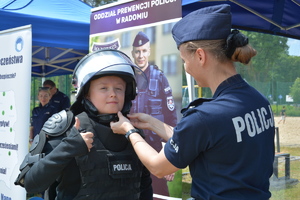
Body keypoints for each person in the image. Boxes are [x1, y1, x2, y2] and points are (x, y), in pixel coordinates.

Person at [111, 4, 275, 200]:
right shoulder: (259, 101)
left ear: (200, 55)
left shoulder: (206, 117)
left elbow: (158, 166)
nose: (185, 68)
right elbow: (204, 139)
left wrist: (129, 131)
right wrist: (150, 123)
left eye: (183, 60)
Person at [15, 49, 153, 200]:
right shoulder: (67, 127)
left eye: (118, 88)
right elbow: (31, 183)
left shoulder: (133, 132)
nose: (113, 93)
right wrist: (67, 148)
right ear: (86, 93)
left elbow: (144, 186)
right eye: (103, 88)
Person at [130, 31, 178, 198]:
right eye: (137, 51)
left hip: (156, 149)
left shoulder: (159, 78)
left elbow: (171, 118)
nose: (140, 55)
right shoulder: (127, 78)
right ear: (133, 53)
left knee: (158, 194)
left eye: (144, 51)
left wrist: (169, 157)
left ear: (149, 51)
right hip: (130, 146)